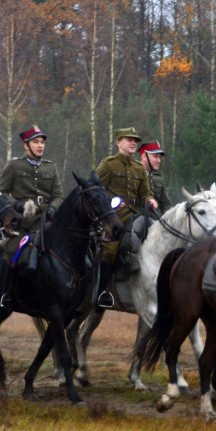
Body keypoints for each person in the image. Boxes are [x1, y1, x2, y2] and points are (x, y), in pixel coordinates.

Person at [0, 124, 64, 308]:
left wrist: (53, 208)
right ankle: (3, 294)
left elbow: (58, 195)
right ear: (26, 145)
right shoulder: (14, 166)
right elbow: (0, 193)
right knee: (11, 251)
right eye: (36, 142)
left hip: (46, 220)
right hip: (22, 223)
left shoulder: (51, 168)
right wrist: (16, 204)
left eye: (42, 142)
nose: (40, 145)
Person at [94, 126, 158, 308]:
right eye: (128, 139)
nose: (132, 142)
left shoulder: (139, 168)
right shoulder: (108, 164)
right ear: (118, 142)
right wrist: (111, 200)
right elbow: (95, 190)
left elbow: (145, 193)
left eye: (135, 140)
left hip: (133, 215)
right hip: (111, 219)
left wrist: (150, 200)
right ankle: (103, 291)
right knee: (110, 250)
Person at [138, 140, 171, 209]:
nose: (159, 160)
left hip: (156, 218)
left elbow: (166, 205)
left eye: (159, 157)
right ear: (144, 156)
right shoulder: (133, 174)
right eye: (155, 156)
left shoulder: (158, 179)